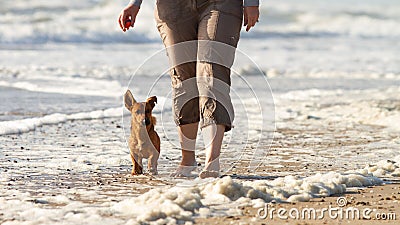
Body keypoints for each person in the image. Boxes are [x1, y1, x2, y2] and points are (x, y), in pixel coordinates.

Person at [118, 0, 259, 178]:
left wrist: (252, 2)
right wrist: (135, 3)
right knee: (183, 79)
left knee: (212, 73)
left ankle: (212, 161)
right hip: (172, 6)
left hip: (222, 4)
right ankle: (188, 160)